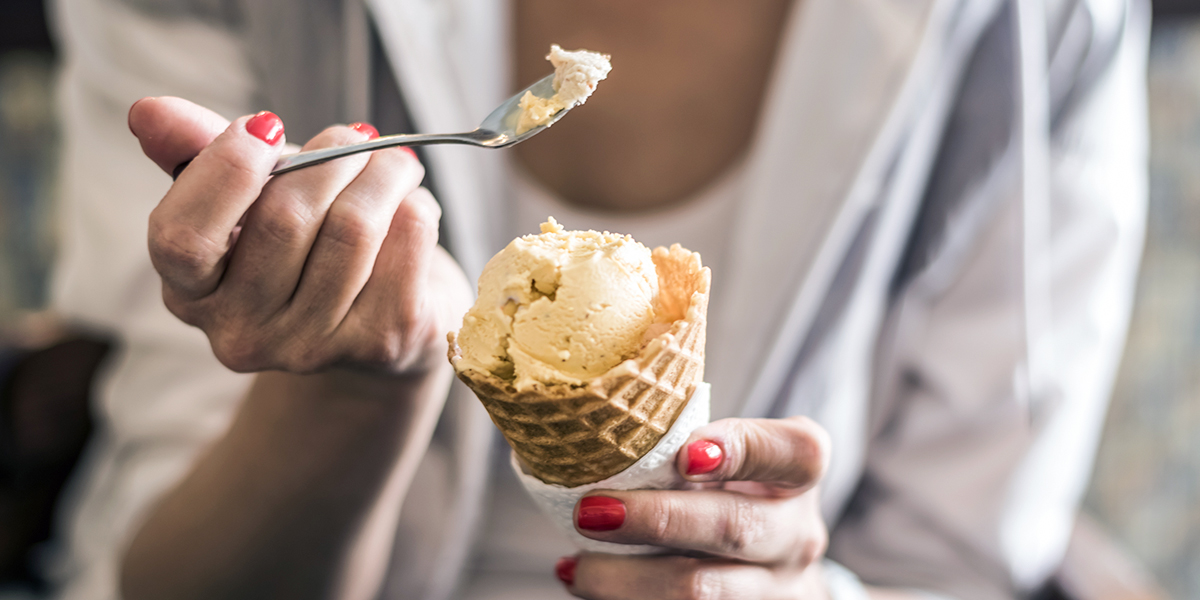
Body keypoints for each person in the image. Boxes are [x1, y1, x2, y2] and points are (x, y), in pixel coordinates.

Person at [44, 0, 1149, 599]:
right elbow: (161, 574)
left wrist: (804, 595)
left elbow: (960, 564)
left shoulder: (1040, 21)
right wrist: (352, 391)